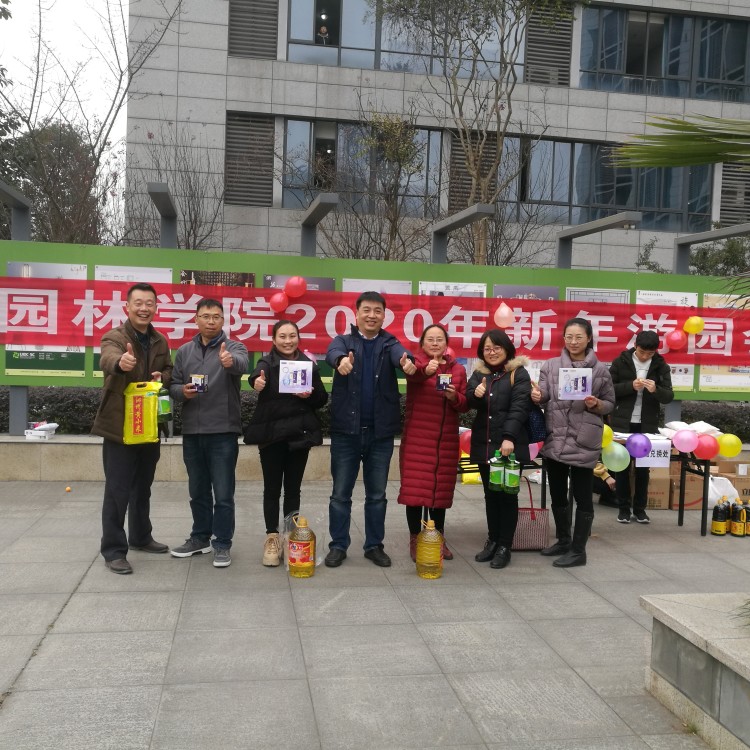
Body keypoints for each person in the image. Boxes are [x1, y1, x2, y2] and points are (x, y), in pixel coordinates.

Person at [324, 291, 416, 568]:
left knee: (376, 496)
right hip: (346, 433)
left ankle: (374, 546)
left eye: (377, 311)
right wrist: (341, 361)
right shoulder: (343, 341)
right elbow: (332, 353)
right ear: (357, 313)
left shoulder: (389, 343)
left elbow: (401, 355)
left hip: (380, 435)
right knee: (340, 494)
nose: (372, 315)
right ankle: (338, 545)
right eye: (367, 310)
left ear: (384, 315)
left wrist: (406, 362)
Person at [92, 282, 173, 575]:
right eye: (138, 303)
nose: (144, 308)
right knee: (118, 490)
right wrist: (121, 362)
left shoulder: (160, 340)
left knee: (142, 487)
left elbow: (169, 370)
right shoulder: (114, 336)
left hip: (148, 425)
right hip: (120, 427)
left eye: (149, 303)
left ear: (156, 307)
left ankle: (140, 536)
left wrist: (162, 376)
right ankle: (114, 550)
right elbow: (107, 358)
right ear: (127, 307)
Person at [169, 299, 249, 568]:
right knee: (198, 490)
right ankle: (200, 537)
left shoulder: (234, 347)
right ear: (196, 319)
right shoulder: (184, 351)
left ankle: (222, 543)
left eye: (216, 316)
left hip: (223, 431)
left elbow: (242, 364)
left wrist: (229, 361)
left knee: (223, 494)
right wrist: (183, 392)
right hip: (192, 431)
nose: (211, 321)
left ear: (223, 320)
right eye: (205, 316)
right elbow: (174, 385)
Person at [531, 317, 615, 568]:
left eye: (579, 337)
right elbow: (544, 395)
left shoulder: (600, 370)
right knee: (557, 493)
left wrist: (596, 404)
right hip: (556, 435)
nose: (573, 342)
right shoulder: (551, 365)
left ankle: (579, 551)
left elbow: (610, 403)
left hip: (584, 437)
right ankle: (563, 541)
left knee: (583, 495)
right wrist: (537, 395)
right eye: (569, 337)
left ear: (589, 338)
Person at [244, 320, 328, 567]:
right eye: (282, 336)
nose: (288, 341)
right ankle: (272, 538)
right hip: (272, 437)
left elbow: (322, 398)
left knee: (293, 490)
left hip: (298, 437)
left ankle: (291, 536)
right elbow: (256, 375)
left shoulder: (307, 364)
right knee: (271, 490)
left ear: (298, 338)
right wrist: (256, 382)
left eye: (292, 336)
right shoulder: (266, 363)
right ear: (273, 340)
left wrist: (309, 395)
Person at [398, 324, 467, 562]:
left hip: (445, 440)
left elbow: (465, 404)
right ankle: (415, 539)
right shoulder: (416, 363)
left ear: (446, 343)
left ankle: (437, 538)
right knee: (415, 492)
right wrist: (427, 371)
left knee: (440, 493)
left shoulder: (458, 369)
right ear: (422, 343)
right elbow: (413, 374)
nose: (435, 343)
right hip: (418, 439)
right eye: (430, 339)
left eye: (440, 339)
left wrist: (454, 397)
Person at [467, 329, 532, 570]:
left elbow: (520, 407)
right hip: (485, 445)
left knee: (507, 495)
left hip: (509, 445)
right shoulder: (479, 374)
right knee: (491, 494)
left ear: (507, 349)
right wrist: (475, 394)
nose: (492, 352)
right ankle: (492, 540)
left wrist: (508, 437)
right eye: (487, 349)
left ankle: (505, 545)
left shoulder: (518, 373)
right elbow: (467, 401)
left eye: (497, 348)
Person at [608, 330, 674, 524]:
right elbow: (608, 390)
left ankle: (640, 510)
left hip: (647, 424)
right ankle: (623, 509)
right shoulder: (621, 362)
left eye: (650, 353)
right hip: (623, 423)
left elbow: (669, 396)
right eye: (642, 352)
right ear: (635, 346)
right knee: (621, 466)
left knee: (643, 468)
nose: (645, 356)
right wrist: (631, 386)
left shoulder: (661, 366)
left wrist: (655, 390)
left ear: (655, 351)